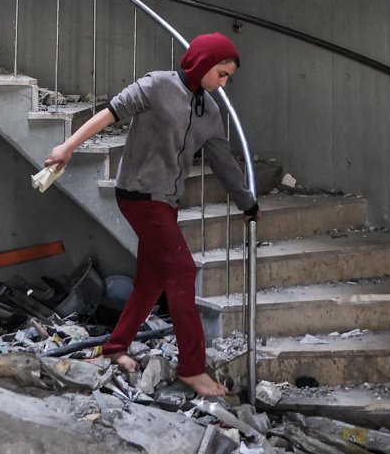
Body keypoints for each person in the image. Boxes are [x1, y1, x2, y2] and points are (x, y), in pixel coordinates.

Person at [45, 31, 258, 398]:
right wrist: (67, 148)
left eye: (228, 77)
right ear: (203, 64)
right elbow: (109, 114)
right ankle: (192, 367)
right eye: (221, 73)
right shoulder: (158, 85)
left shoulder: (209, 111)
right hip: (140, 195)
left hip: (167, 201)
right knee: (183, 270)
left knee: (151, 278)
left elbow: (224, 162)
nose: (224, 83)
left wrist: (247, 202)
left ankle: (115, 346)